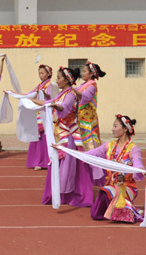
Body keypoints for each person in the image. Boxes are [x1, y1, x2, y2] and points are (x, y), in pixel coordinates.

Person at [32, 67, 95, 207]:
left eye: (59, 78)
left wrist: (55, 105)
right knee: (60, 163)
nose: (57, 80)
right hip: (60, 132)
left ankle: (68, 195)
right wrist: (29, 100)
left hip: (68, 134)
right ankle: (59, 193)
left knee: (67, 165)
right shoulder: (63, 93)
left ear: (67, 80)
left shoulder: (70, 94)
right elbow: (48, 103)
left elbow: (64, 107)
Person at [85, 115, 145, 223]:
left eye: (115, 126)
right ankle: (117, 210)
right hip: (110, 185)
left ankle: (125, 210)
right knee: (96, 212)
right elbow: (92, 153)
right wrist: (70, 152)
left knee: (104, 193)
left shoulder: (133, 149)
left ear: (125, 129)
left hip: (127, 187)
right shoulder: (109, 146)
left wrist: (141, 169)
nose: (112, 129)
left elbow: (137, 162)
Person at [8, 64, 55, 170]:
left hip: (46, 114)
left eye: (42, 73)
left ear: (48, 74)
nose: (40, 75)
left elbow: (52, 98)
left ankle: (46, 160)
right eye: (39, 73)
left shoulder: (50, 85)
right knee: (38, 137)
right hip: (39, 115)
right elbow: (29, 95)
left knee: (45, 138)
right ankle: (38, 161)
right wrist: (14, 93)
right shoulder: (39, 86)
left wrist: (46, 95)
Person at [73, 61, 106, 151]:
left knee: (89, 140)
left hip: (88, 119)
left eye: (84, 71)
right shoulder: (84, 85)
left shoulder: (91, 86)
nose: (82, 73)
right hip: (82, 118)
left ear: (91, 74)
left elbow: (85, 97)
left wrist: (72, 90)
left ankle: (91, 161)